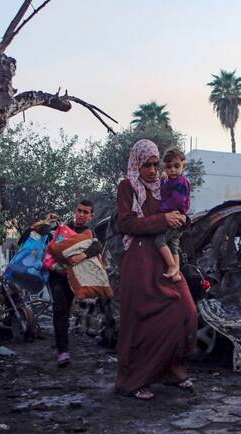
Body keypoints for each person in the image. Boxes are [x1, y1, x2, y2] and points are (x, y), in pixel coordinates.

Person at [114, 139, 197, 400]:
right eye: (146, 165)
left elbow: (177, 210)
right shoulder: (127, 186)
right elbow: (126, 224)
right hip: (140, 262)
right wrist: (163, 220)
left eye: (154, 164)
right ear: (136, 164)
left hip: (165, 260)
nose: (152, 170)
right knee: (142, 323)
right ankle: (135, 381)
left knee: (187, 312)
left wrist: (182, 219)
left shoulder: (164, 185)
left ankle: (172, 370)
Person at [30, 200, 103, 367]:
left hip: (72, 278)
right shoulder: (62, 228)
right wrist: (44, 223)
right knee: (59, 309)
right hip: (56, 275)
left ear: (91, 216)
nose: (81, 214)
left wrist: (83, 255)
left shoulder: (89, 233)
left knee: (65, 310)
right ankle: (62, 351)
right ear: (75, 211)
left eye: (85, 212)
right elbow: (40, 232)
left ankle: (61, 343)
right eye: (79, 211)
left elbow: (97, 246)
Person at [154, 147, 190, 281]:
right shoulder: (171, 180)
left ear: (183, 166)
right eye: (169, 167)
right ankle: (176, 273)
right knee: (174, 245)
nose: (173, 170)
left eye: (176, 166)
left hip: (174, 215)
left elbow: (177, 201)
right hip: (177, 217)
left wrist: (161, 210)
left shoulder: (181, 182)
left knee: (159, 241)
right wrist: (163, 180)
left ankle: (172, 266)